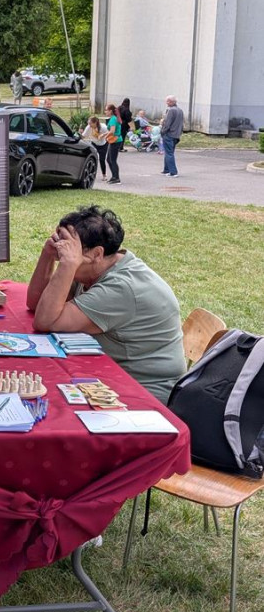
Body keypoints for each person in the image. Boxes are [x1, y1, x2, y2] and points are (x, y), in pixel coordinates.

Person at [26, 205, 186, 404]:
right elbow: (36, 303)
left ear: (96, 254)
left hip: (146, 393)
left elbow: (45, 321)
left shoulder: (121, 288)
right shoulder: (95, 268)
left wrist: (68, 263)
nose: (62, 252)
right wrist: (47, 254)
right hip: (115, 375)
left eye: (68, 248)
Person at [160, 95, 184, 177]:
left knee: (169, 153)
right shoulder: (180, 110)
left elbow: (167, 123)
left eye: (167, 101)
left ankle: (173, 172)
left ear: (170, 102)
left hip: (169, 134)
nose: (166, 103)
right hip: (176, 135)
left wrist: (162, 131)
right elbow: (181, 124)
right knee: (169, 152)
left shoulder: (171, 110)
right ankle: (166, 169)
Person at [82, 116, 109, 181]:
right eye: (88, 123)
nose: (89, 125)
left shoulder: (103, 127)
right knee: (91, 158)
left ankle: (104, 175)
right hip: (94, 143)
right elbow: (83, 136)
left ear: (95, 123)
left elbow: (110, 132)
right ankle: (89, 174)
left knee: (102, 160)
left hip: (103, 144)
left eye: (90, 123)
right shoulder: (89, 127)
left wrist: (103, 135)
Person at [104, 103, 123, 184]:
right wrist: (104, 135)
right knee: (109, 159)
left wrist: (105, 137)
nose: (105, 112)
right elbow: (111, 131)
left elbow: (112, 131)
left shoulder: (113, 119)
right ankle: (114, 176)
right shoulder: (114, 118)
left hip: (115, 141)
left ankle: (116, 177)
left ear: (110, 111)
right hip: (115, 140)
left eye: (106, 110)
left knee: (112, 160)